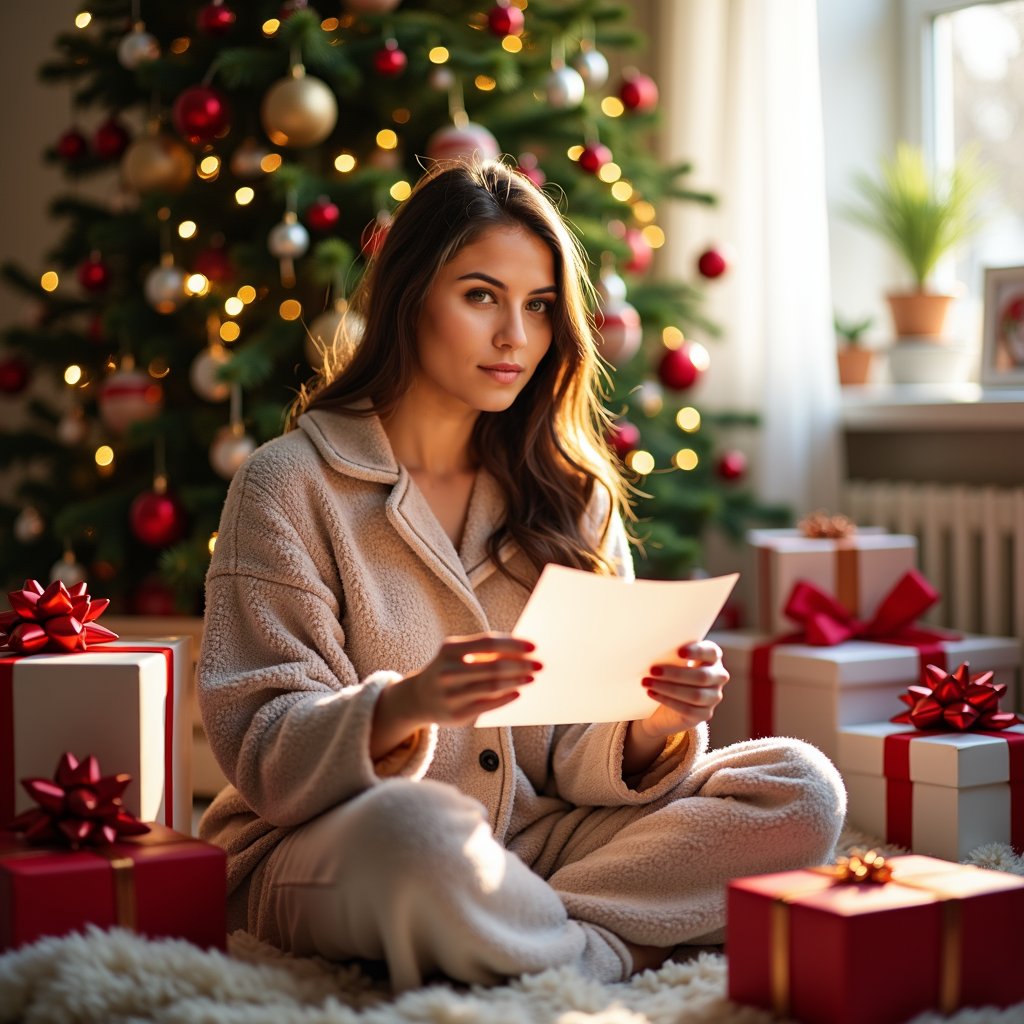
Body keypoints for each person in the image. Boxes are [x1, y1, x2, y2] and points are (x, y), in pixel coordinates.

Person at [197, 159, 845, 992]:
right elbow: (263, 746)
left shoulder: (568, 492)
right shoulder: (290, 484)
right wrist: (406, 705)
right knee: (424, 835)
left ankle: (543, 945)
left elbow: (579, 754)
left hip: (539, 839)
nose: (517, 337)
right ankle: (599, 943)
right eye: (481, 296)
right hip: (342, 840)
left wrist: (650, 720)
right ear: (411, 298)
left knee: (799, 788)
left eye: (539, 307)